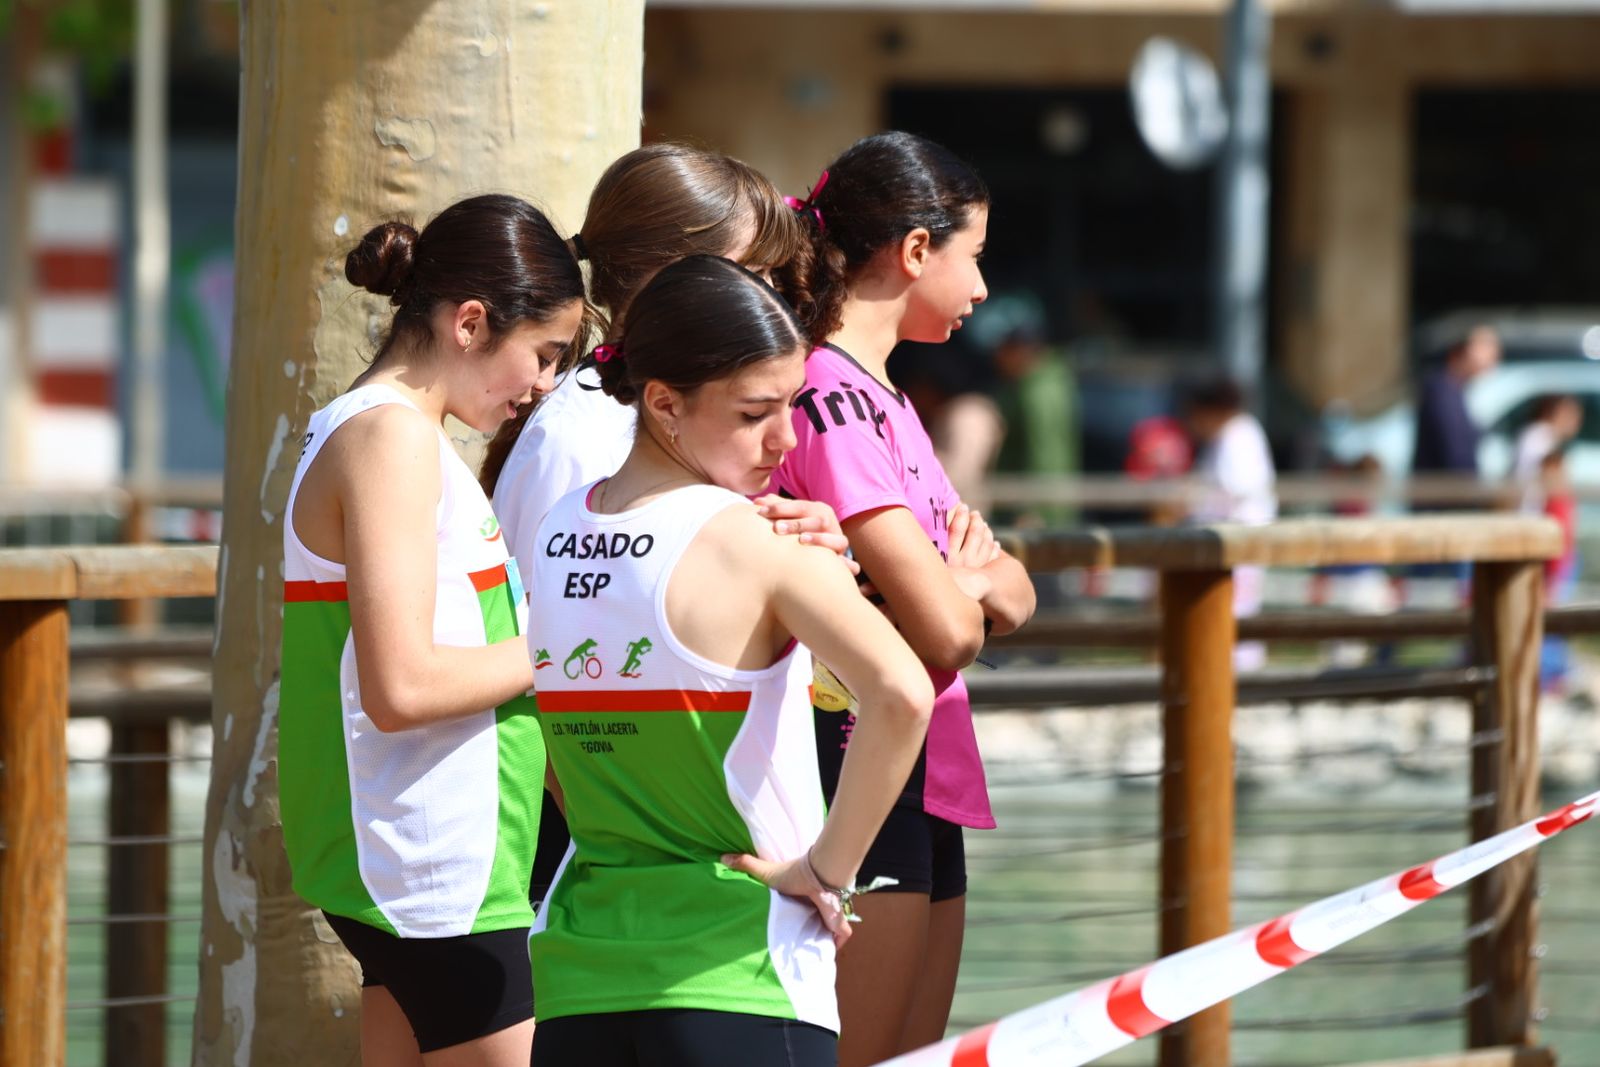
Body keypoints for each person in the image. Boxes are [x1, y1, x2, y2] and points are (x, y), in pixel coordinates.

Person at [526, 256, 935, 1067]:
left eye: (792, 405)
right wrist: (827, 869)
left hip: (580, 973)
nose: (785, 439)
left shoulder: (554, 531)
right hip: (742, 969)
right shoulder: (756, 540)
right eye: (757, 412)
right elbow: (903, 692)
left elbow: (556, 756)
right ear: (664, 402)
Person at [479, 143, 852, 908]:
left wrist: (800, 555)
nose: (766, 292)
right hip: (616, 851)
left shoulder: (676, 418)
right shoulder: (582, 431)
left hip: (688, 843)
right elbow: (545, 668)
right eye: (748, 271)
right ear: (673, 273)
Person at [280, 195, 586, 1066]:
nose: (543, 383)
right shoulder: (392, 440)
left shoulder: (388, 431)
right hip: (432, 863)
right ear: (471, 322)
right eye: (543, 354)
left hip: (427, 855)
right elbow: (402, 685)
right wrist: (562, 646)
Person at [775, 131, 1037, 1066]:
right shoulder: (827, 397)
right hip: (854, 758)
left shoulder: (885, 398)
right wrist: (960, 587)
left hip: (921, 762)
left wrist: (959, 583)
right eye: (973, 258)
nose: (981, 290)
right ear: (916, 250)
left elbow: (1012, 584)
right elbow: (951, 626)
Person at [1183, 377, 1277, 670]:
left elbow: (1231, 495)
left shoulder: (1238, 437)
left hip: (1236, 543)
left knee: (1233, 618)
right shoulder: (1233, 434)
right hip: (1230, 543)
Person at [1412, 324, 1501, 482]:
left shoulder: (1456, 390)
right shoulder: (1442, 391)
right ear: (1461, 350)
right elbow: (1455, 456)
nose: (1495, 354)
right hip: (1443, 498)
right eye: (1485, 345)